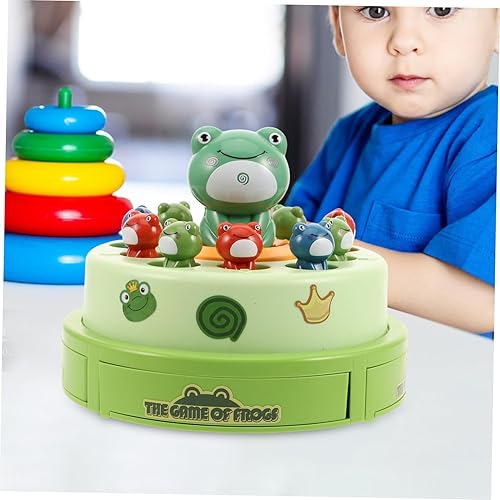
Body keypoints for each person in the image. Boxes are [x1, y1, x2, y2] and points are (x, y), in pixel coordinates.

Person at [286, 6, 499, 336]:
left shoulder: (488, 137)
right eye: (376, 11)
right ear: (339, 29)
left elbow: (482, 303)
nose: (404, 41)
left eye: (441, 9)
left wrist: (325, 254)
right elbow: (285, 237)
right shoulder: (348, 134)